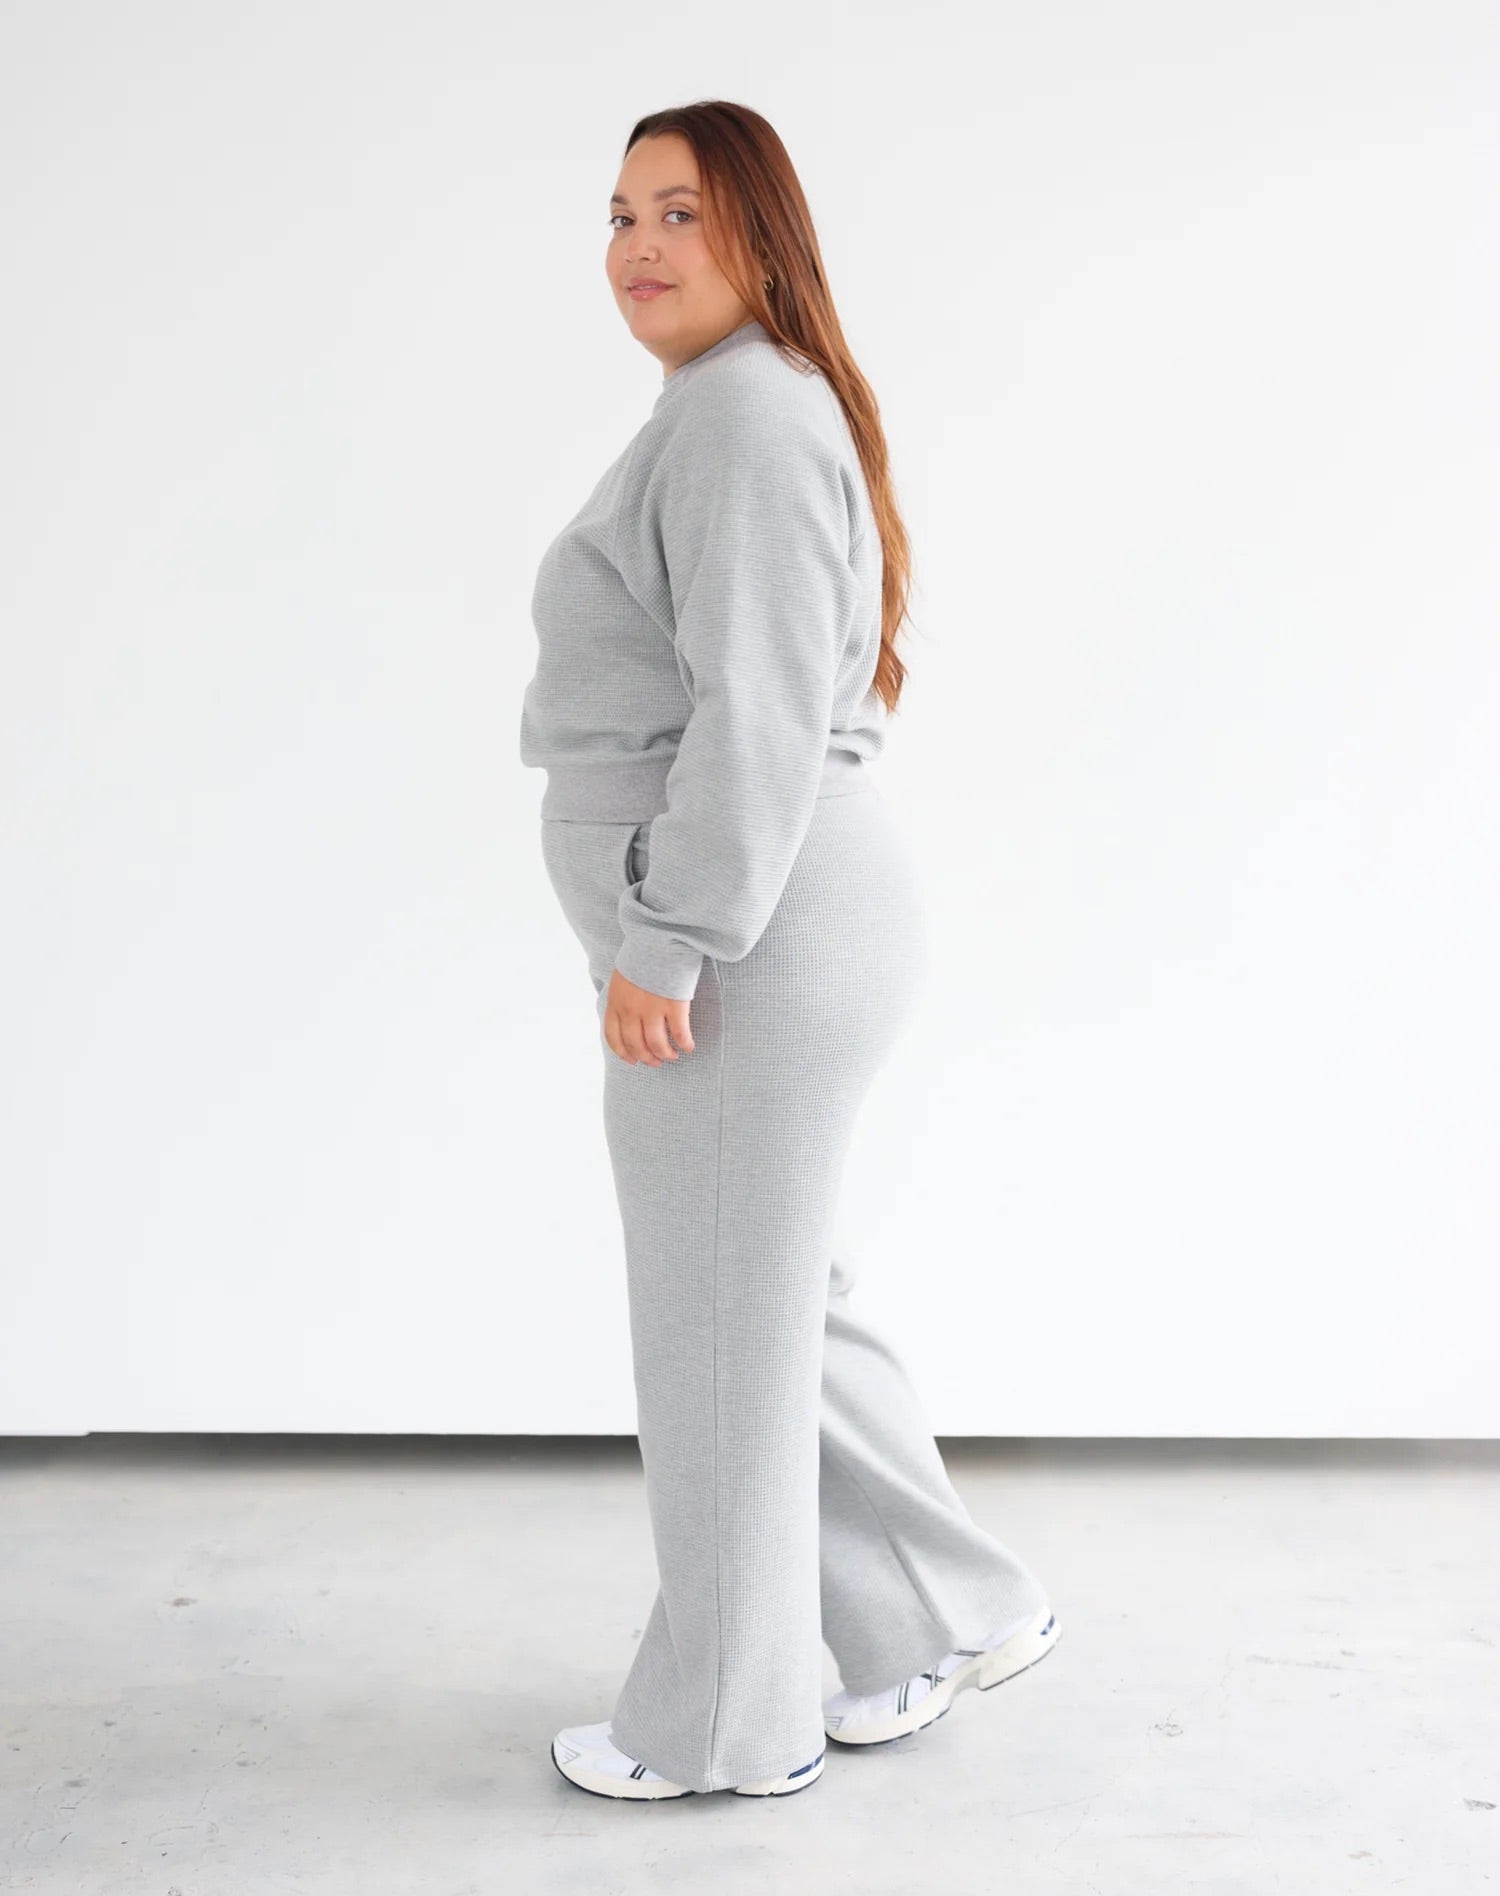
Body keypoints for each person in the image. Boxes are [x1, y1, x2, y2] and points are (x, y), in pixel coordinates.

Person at [519, 99, 1060, 1802]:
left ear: (762, 234)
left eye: (680, 211)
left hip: (749, 938)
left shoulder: (745, 415)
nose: (639, 247)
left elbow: (750, 717)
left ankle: (720, 1730)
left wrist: (668, 942)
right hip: (789, 920)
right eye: (620, 215)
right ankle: (945, 1612)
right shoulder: (740, 403)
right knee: (767, 1307)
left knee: (716, 1337)